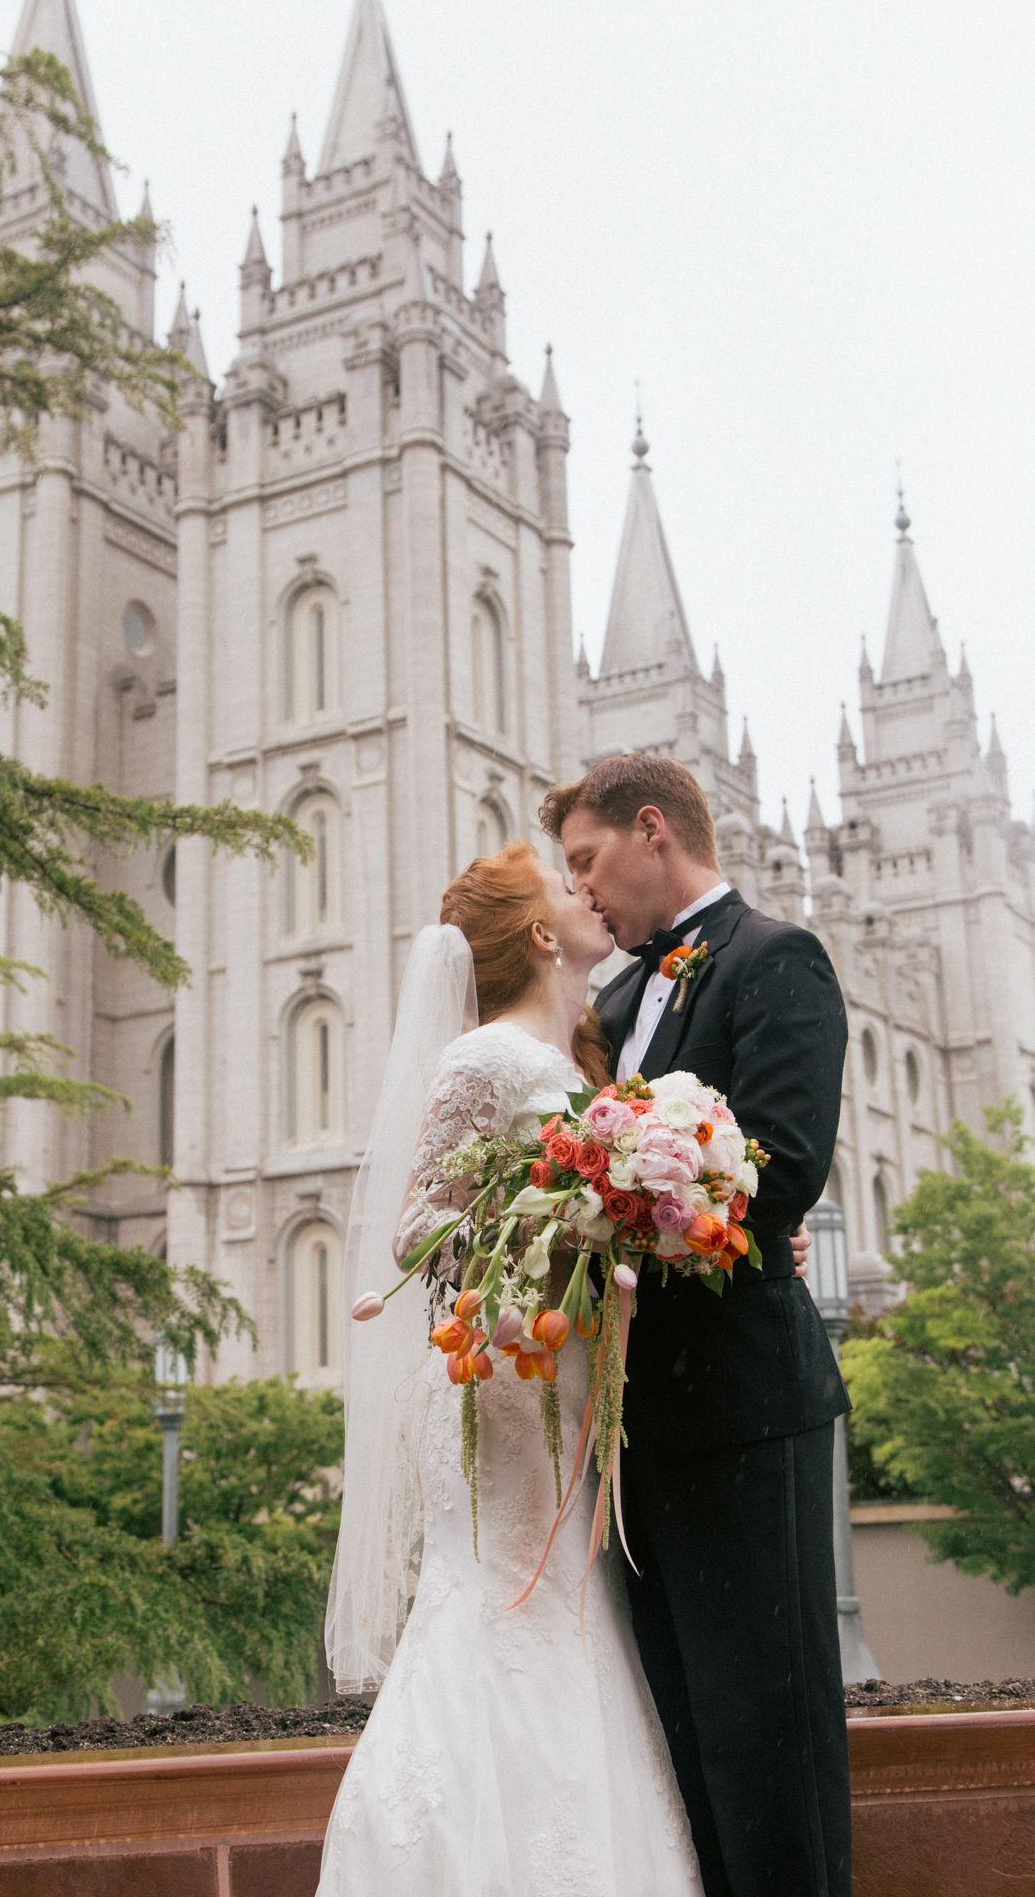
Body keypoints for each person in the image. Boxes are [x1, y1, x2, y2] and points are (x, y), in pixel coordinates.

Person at [319, 840, 704, 1895]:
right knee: (501, 1599)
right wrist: (567, 1223)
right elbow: (415, 1228)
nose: (587, 892)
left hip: (568, 1374)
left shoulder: (582, 1069)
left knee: (573, 1613)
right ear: (541, 933)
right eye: (566, 885)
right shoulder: (478, 1057)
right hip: (504, 1385)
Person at [542, 753, 851, 1897]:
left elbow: (782, 1162)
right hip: (631, 1435)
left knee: (771, 1746)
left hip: (742, 1414)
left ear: (653, 829)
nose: (580, 894)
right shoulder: (612, 1001)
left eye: (586, 861)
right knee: (680, 1750)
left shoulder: (778, 960)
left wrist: (620, 1199)